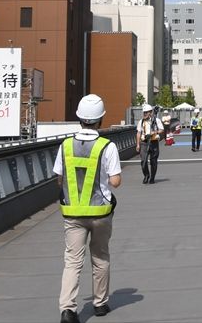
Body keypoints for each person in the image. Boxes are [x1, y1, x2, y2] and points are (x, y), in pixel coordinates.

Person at [54, 94, 121, 323]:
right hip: (100, 212)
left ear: (79, 118)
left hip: (73, 213)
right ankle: (100, 304)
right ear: (101, 119)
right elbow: (115, 181)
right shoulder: (107, 146)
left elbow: (59, 179)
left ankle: (68, 310)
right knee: (100, 256)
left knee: (73, 261)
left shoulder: (65, 145)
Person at [135, 104, 164, 184]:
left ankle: (152, 177)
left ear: (150, 112)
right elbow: (138, 133)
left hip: (154, 142)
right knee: (143, 161)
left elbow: (161, 130)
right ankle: (146, 175)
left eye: (146, 112)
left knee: (153, 161)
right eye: (144, 112)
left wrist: (154, 132)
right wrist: (138, 144)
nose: (144, 114)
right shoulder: (141, 122)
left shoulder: (156, 120)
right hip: (144, 143)